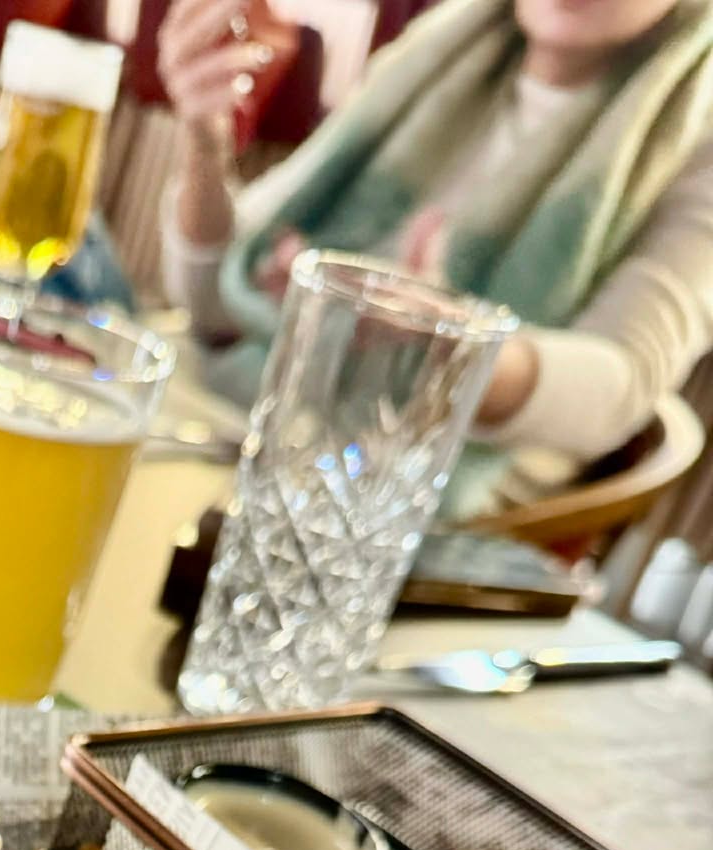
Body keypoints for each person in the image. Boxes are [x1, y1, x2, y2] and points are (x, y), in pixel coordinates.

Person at [158, 0, 713, 510]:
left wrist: (449, 342)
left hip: (403, 495)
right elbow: (211, 300)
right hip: (242, 405)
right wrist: (204, 142)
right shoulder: (438, 50)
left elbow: (618, 391)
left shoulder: (692, 140)